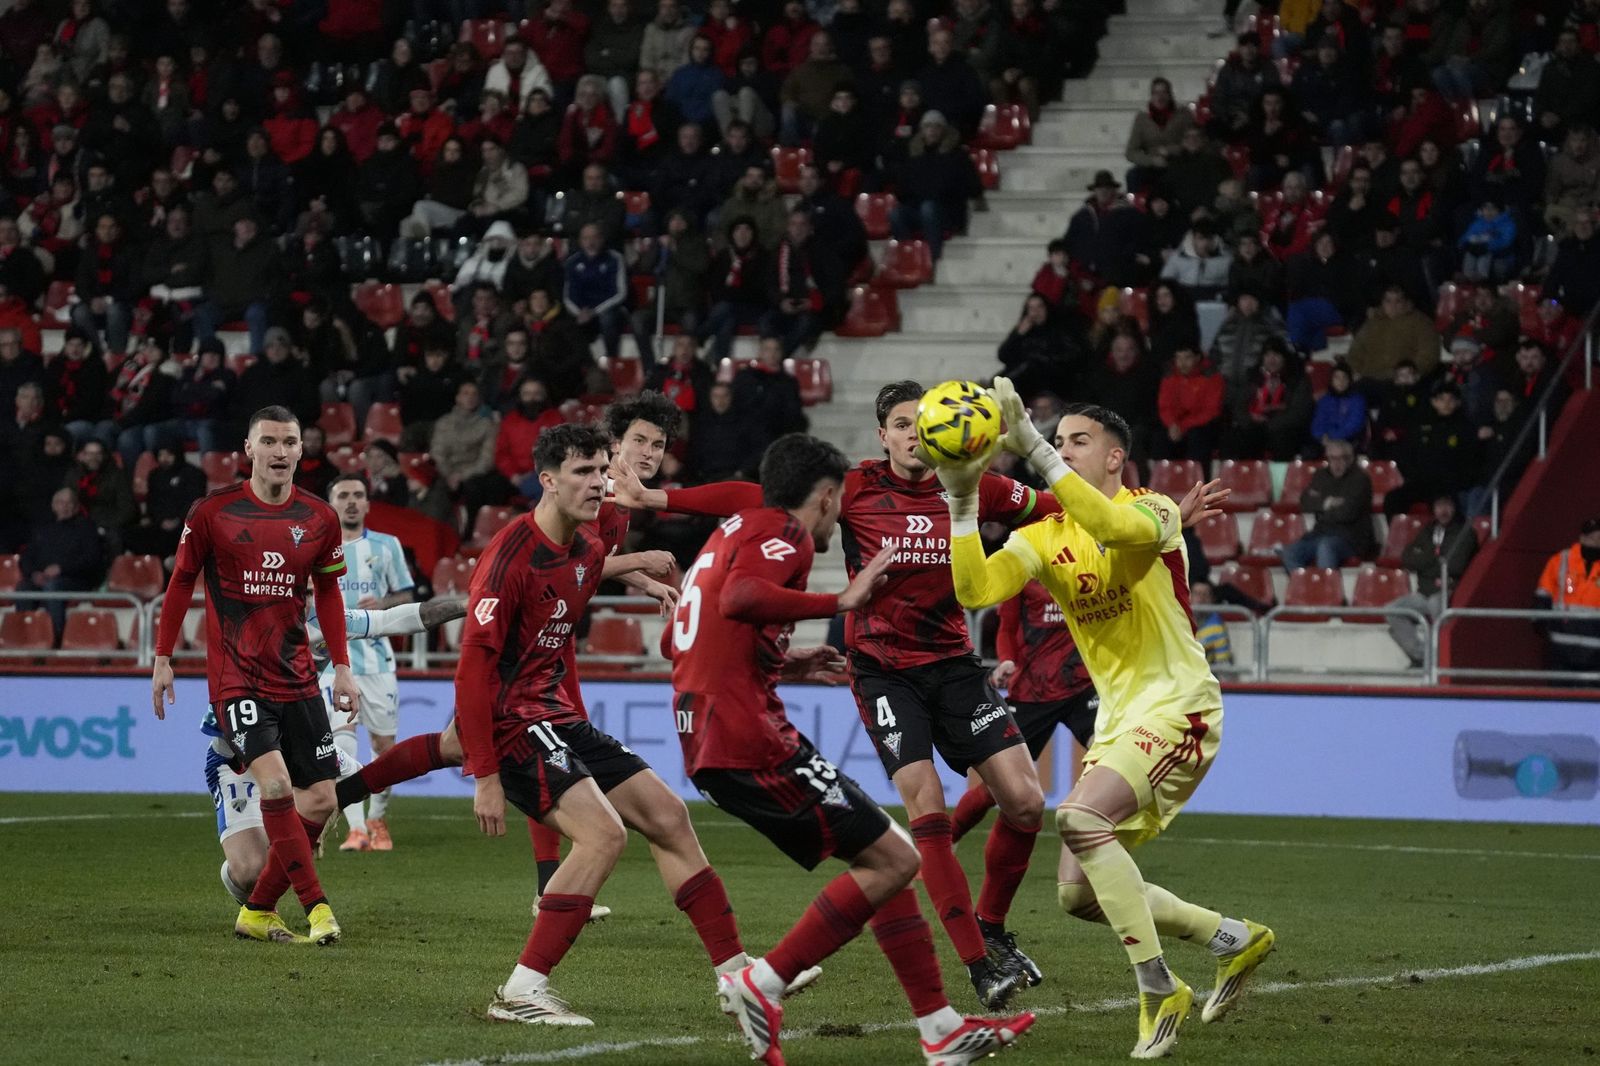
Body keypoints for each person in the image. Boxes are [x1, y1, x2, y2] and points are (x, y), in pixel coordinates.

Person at [616, 380, 1067, 1009]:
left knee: (1024, 802)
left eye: (922, 422)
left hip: (957, 666)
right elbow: (759, 497)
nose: (914, 434)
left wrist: (1135, 519)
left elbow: (1055, 507)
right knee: (925, 808)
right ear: (883, 437)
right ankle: (978, 964)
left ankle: (991, 924)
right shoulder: (854, 487)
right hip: (883, 669)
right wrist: (659, 496)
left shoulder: (972, 483)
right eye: (902, 425)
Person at [935, 383, 1275, 1058]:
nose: (1062, 450)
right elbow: (974, 589)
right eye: (1056, 443)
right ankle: (1233, 938)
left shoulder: (1151, 511)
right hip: (1122, 721)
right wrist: (963, 500)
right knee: (1076, 895)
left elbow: (1115, 531)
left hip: (1181, 707)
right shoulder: (1043, 538)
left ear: (1117, 458)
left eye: (1076, 441)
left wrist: (1029, 443)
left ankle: (1158, 988)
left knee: (1081, 819)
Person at [454, 424, 765, 1027]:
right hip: (510, 724)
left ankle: (737, 976)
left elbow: (588, 574)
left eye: (602, 470)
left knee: (669, 816)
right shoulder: (507, 558)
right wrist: (484, 775)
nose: (599, 483)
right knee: (604, 836)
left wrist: (644, 578)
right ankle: (521, 989)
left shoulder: (587, 549)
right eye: (583, 473)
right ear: (547, 481)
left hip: (555, 714)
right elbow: (469, 676)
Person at [151, 405, 358, 946]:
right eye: (269, 441)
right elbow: (180, 582)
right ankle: (319, 911)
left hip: (297, 678)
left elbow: (330, 593)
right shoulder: (213, 511)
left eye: (289, 442)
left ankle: (256, 907)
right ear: (248, 449)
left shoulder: (319, 517)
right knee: (276, 783)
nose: (280, 451)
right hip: (236, 678)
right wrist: (162, 657)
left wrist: (342, 667)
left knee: (320, 802)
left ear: (300, 450)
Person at [207, 596, 468, 908]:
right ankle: (258, 879)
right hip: (240, 755)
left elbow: (397, 619)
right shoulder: (251, 627)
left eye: (305, 588)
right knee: (252, 872)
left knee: (358, 779)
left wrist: (467, 603)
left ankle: (309, 829)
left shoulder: (326, 619)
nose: (299, 597)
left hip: (294, 746)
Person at [951, 578, 1098, 844]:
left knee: (1106, 755)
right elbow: (1006, 628)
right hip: (1032, 692)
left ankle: (1098, 835)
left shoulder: (1081, 566)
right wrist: (1006, 660)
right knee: (996, 787)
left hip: (1082, 686)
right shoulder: (1021, 572)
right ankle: (947, 840)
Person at [318, 474, 416, 853]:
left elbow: (406, 594)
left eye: (358, 495)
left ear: (368, 504)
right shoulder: (317, 547)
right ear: (332, 504)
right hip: (333, 663)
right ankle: (356, 827)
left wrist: (385, 605)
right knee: (342, 739)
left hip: (377, 659)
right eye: (343, 495)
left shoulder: (387, 546)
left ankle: (377, 818)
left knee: (384, 746)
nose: (352, 502)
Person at [1387, 493, 1477, 667]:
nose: (1443, 511)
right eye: (1439, 506)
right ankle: (1423, 657)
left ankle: (1441, 659)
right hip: (1425, 591)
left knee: (1435, 605)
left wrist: (1425, 559)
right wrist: (1436, 558)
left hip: (1448, 590)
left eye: (1447, 505)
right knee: (1393, 610)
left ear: (1454, 507)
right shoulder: (1428, 530)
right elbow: (1407, 558)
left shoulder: (1464, 532)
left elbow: (1454, 565)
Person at [17, 485, 104, 641]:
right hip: (43, 579)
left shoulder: (86, 527)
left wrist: (62, 569)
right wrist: (34, 573)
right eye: (60, 502)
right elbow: (26, 558)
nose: (64, 506)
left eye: (69, 503)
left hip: (75, 580)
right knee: (23, 588)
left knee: (53, 587)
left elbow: (92, 559)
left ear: (77, 507)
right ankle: (24, 637)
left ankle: (55, 637)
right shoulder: (43, 529)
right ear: (53, 505)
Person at [1279, 437, 1374, 569]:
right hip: (1320, 533)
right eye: (1332, 458)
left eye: (1341, 458)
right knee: (1289, 553)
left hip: (1350, 538)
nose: (1337, 463)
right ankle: (1305, 588)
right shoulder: (1320, 476)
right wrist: (1327, 503)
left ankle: (1326, 588)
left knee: (1325, 547)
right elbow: (1305, 502)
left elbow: (1347, 513)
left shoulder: (1360, 479)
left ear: (1350, 459)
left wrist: (1321, 508)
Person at [1535, 518, 1600, 674]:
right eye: (1594, 537)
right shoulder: (1560, 561)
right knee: (1560, 693)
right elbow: (1543, 595)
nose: (1597, 542)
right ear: (1582, 538)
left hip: (1596, 648)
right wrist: (1541, 622)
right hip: (1561, 643)